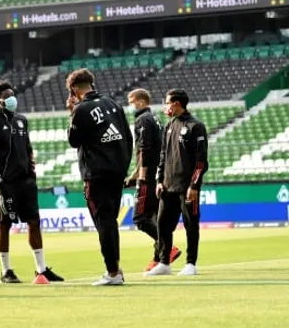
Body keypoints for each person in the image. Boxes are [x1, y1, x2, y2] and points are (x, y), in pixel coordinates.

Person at [0, 80, 63, 285]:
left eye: (12, 94)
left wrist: (31, 172)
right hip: (6, 183)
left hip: (26, 182)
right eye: (7, 96)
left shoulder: (21, 120)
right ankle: (6, 271)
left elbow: (28, 148)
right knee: (5, 224)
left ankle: (41, 270)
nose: (12, 98)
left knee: (34, 222)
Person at [66, 69, 132, 286]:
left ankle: (113, 273)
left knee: (103, 222)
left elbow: (74, 141)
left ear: (74, 90)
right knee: (110, 221)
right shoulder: (113, 104)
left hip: (96, 174)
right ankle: (116, 269)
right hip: (117, 171)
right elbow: (128, 137)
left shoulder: (81, 109)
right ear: (91, 84)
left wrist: (72, 112)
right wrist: (123, 167)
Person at [147, 89, 208, 277]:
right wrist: (159, 180)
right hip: (168, 185)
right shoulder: (169, 125)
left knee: (191, 224)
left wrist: (194, 185)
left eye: (167, 103)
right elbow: (163, 155)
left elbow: (201, 161)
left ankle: (191, 264)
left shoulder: (196, 126)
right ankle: (164, 263)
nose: (165, 106)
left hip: (187, 187)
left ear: (176, 104)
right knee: (162, 224)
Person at [126, 89, 181, 272]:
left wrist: (140, 175)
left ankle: (167, 248)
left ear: (141, 102)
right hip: (159, 174)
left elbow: (144, 148)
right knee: (155, 217)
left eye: (131, 101)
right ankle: (159, 258)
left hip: (149, 176)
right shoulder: (155, 118)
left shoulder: (142, 119)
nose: (130, 105)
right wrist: (135, 173)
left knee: (140, 218)